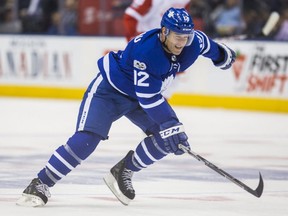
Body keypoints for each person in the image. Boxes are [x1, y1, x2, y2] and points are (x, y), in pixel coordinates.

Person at [16, 7, 235, 207]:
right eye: (178, 37)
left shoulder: (193, 41)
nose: (182, 43)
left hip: (139, 96)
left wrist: (223, 56)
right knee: (87, 140)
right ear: (164, 32)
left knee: (166, 139)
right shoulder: (148, 52)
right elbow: (148, 98)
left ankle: (124, 171)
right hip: (109, 92)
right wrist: (172, 124)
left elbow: (210, 48)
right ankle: (40, 183)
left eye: (186, 38)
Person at [124, 0, 191, 99]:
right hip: (150, 43)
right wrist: (137, 43)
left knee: (173, 79)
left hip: (170, 42)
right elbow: (130, 17)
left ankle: (157, 110)